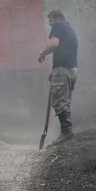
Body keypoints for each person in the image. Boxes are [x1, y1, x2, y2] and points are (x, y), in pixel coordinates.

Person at [38, 10, 78, 144]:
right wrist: (53, 71)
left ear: (57, 18)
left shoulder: (59, 26)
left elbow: (54, 44)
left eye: (51, 21)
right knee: (65, 100)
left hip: (63, 70)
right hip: (71, 69)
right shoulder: (69, 30)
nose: (50, 24)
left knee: (59, 100)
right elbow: (64, 50)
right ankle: (67, 132)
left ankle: (66, 132)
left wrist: (42, 53)